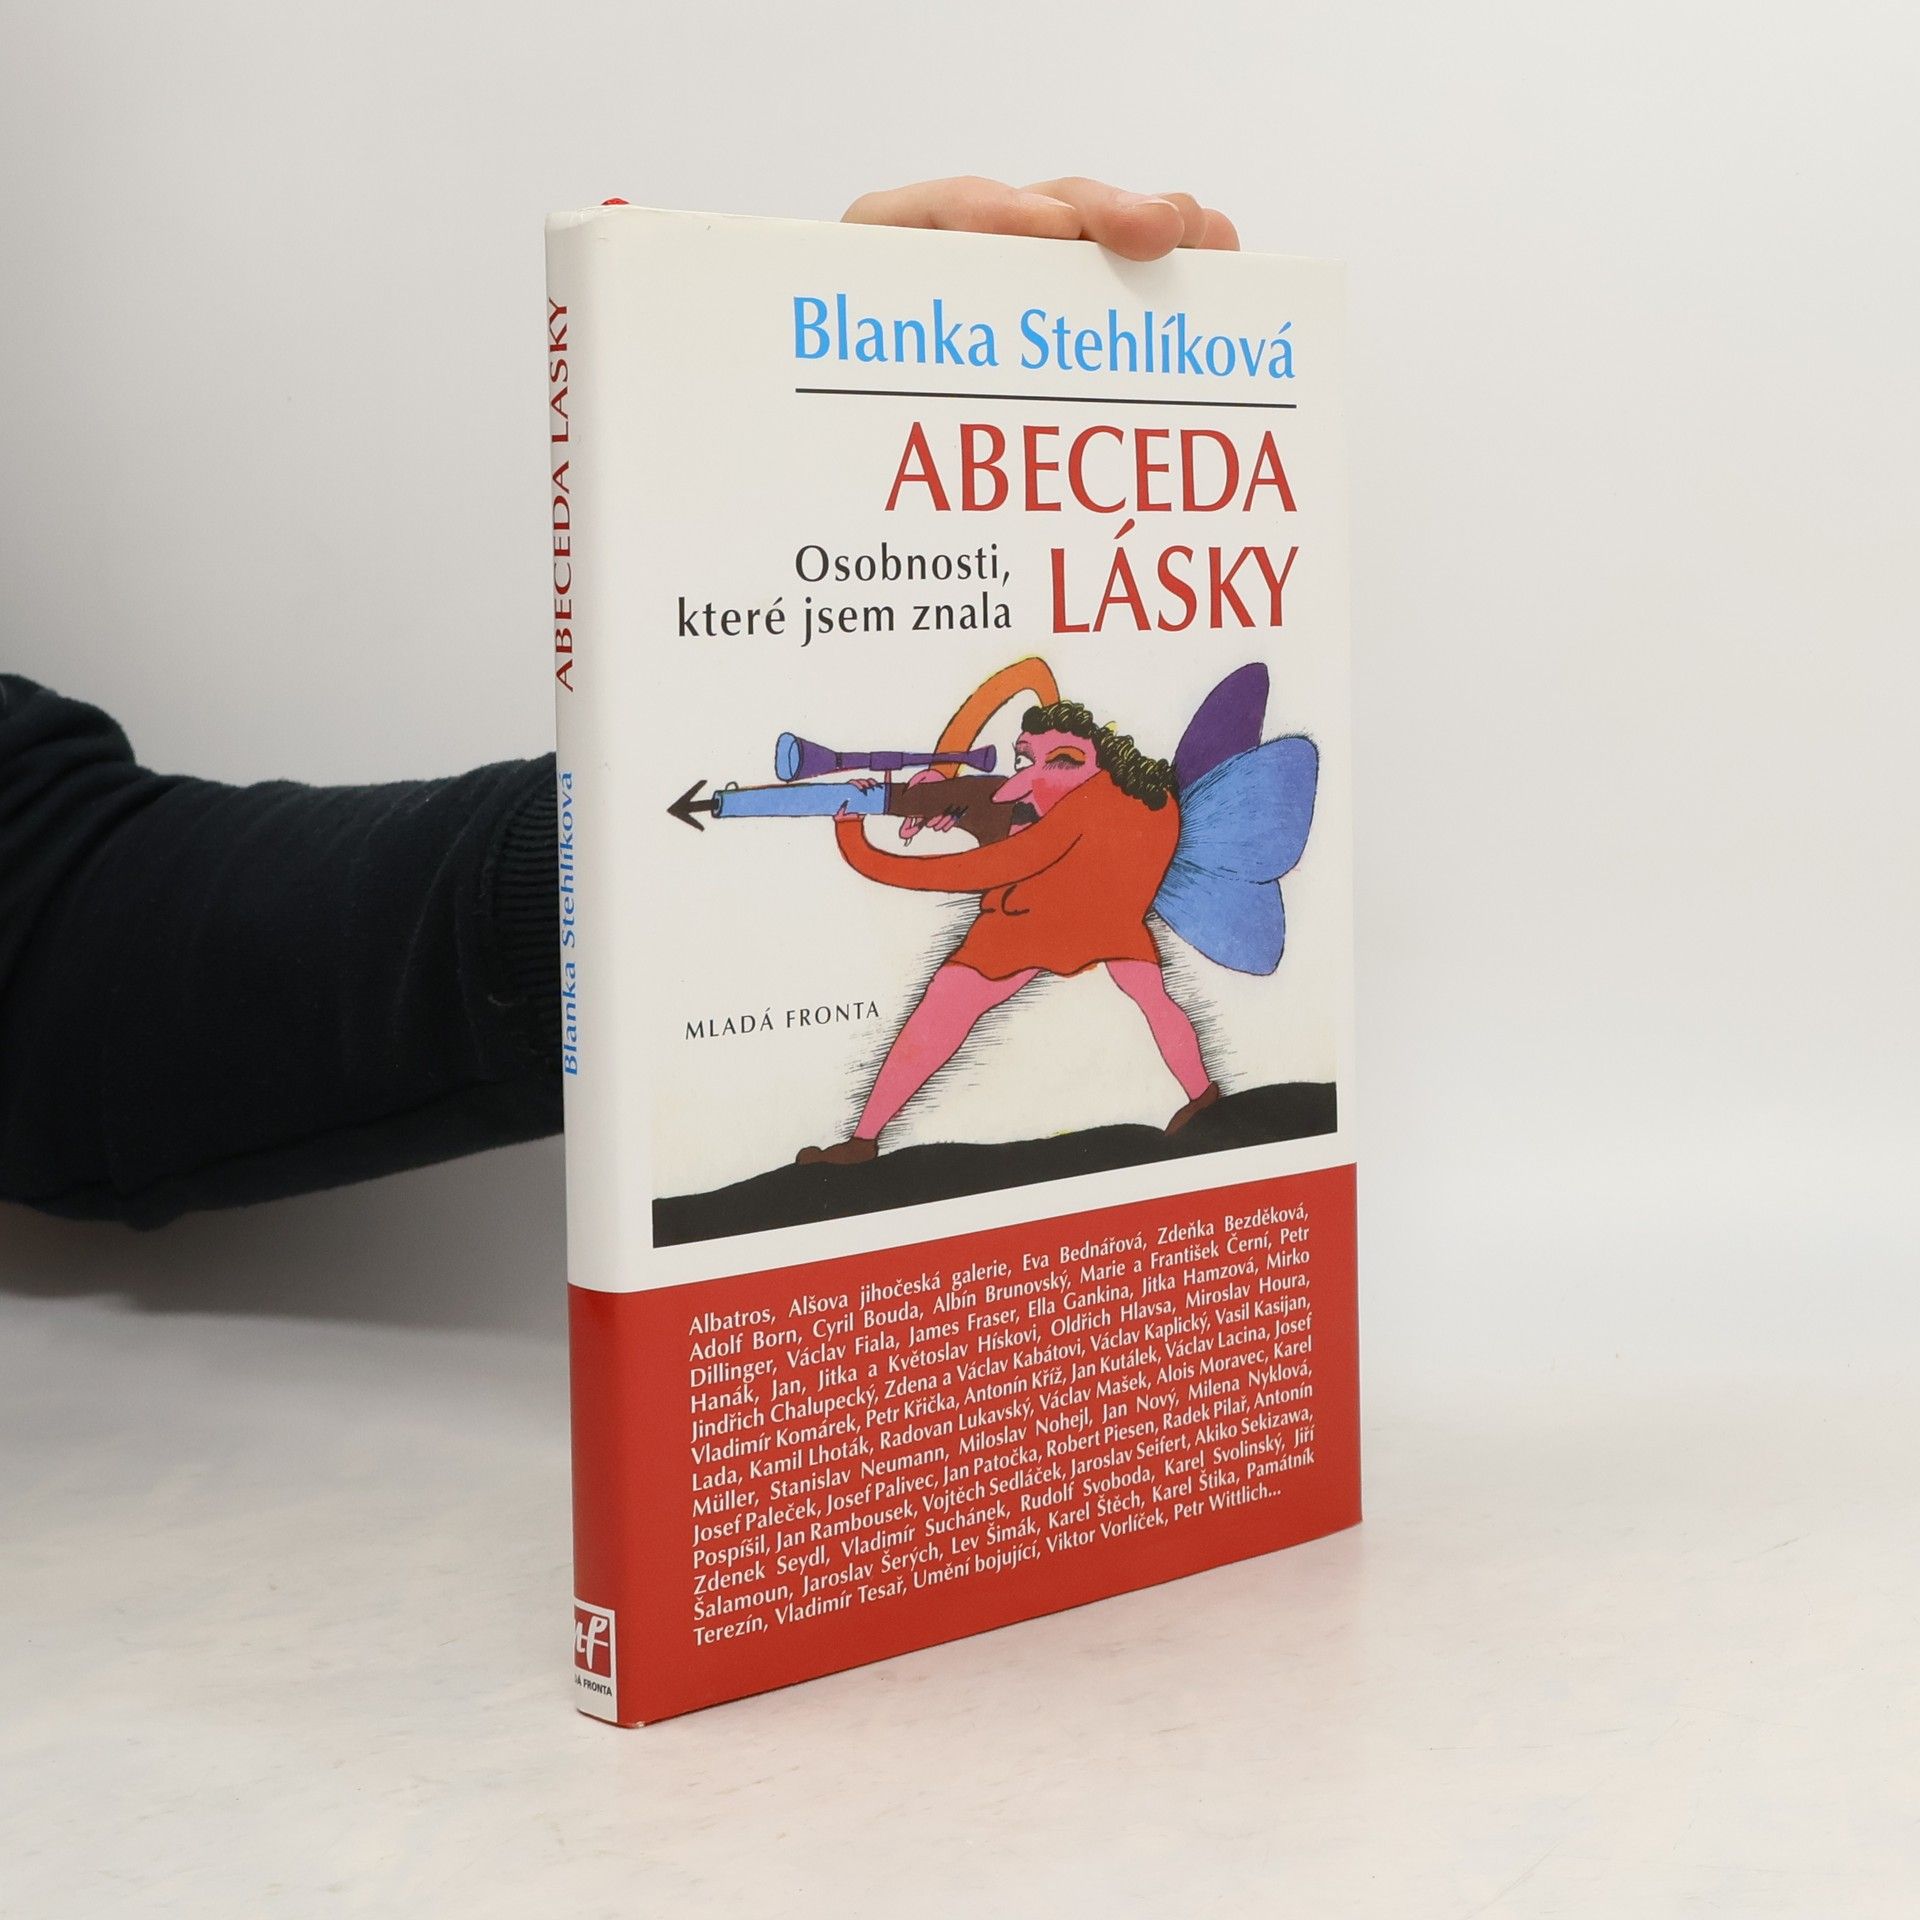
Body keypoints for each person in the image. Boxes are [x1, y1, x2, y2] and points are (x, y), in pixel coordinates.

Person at [0, 177, 1241, 1227]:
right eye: (1035, 751)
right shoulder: (1039, 791)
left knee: (1148, 998)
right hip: (1018, 920)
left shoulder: (1100, 803)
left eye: (1055, 756)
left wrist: (633, 863)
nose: (1032, 763)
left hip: (1069, 912)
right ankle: (867, 1137)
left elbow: (58, 912)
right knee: (945, 1025)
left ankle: (1198, 1104)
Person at [798, 698, 1218, 1166]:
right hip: (1108, 922)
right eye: (1024, 759)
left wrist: (857, 846)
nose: (1031, 776)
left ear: (1098, 758)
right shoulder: (1154, 800)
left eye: (1062, 760)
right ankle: (1203, 1096)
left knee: (942, 1011)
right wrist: (955, 796)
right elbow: (1028, 817)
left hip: (1035, 920)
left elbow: (989, 866)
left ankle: (863, 1141)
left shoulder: (1083, 807)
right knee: (1153, 998)